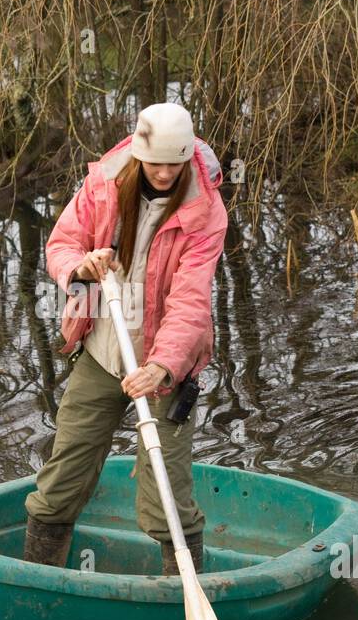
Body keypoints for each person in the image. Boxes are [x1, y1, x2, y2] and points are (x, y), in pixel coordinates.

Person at [23, 102, 228, 575]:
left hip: (163, 365)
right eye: (152, 162)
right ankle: (40, 582)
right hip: (102, 350)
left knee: (165, 501)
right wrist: (80, 267)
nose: (161, 172)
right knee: (59, 484)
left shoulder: (205, 213)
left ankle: (183, 594)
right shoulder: (103, 186)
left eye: (172, 164)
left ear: (185, 158)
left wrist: (163, 367)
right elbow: (61, 244)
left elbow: (191, 301)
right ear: (138, 153)